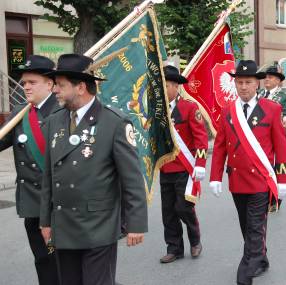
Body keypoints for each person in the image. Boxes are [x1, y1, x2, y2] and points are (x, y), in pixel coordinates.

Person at [39, 54, 148, 284]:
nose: (55, 91)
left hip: (98, 226)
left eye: (60, 85)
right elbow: (48, 175)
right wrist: (45, 221)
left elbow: (132, 179)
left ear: (80, 87)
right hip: (63, 225)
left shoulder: (114, 122)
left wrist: (136, 223)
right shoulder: (54, 121)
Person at [210, 60, 286, 285]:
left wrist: (283, 179)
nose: (243, 87)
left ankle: (246, 272)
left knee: (255, 226)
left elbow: (281, 147)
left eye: (248, 82)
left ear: (257, 84)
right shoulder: (228, 111)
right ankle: (261, 258)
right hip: (237, 181)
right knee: (246, 226)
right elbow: (219, 146)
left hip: (260, 182)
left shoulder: (272, 109)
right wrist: (215, 176)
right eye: (239, 82)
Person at [0, 55, 60, 284]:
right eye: (23, 82)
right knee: (43, 261)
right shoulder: (19, 113)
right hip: (33, 203)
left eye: (31, 82)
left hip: (61, 203)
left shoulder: (65, 112)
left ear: (49, 84)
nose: (25, 86)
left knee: (66, 261)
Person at [159, 65, 208, 263]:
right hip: (166, 167)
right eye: (161, 85)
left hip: (185, 168)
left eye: (167, 85)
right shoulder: (158, 110)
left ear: (176, 86)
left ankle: (195, 240)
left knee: (183, 207)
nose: (164, 89)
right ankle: (174, 248)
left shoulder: (189, 107)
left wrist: (201, 163)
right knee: (168, 212)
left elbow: (201, 138)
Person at [259, 63, 286, 212]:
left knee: (276, 167)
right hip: (260, 138)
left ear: (278, 80)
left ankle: (276, 198)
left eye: (270, 77)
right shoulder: (259, 94)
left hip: (275, 137)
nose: (266, 79)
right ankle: (263, 196)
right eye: (265, 77)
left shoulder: (284, 96)